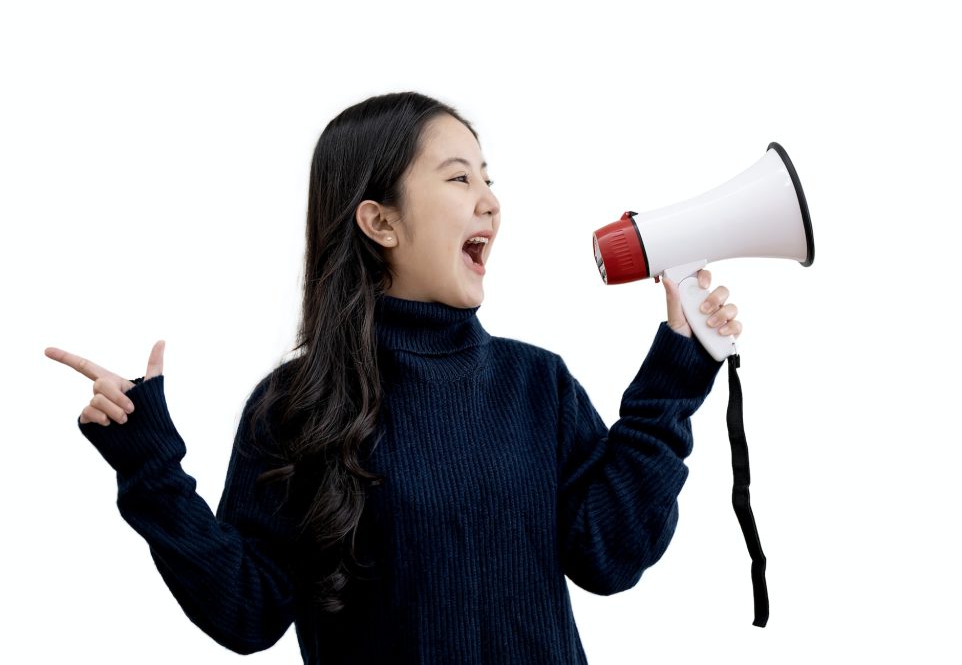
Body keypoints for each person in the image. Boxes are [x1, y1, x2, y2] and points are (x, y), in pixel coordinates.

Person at [44, 91, 743, 664]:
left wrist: (675, 377)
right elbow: (248, 612)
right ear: (380, 221)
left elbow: (609, 557)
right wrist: (151, 472)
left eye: (488, 178)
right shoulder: (295, 408)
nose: (490, 202)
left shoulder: (537, 385)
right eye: (459, 177)